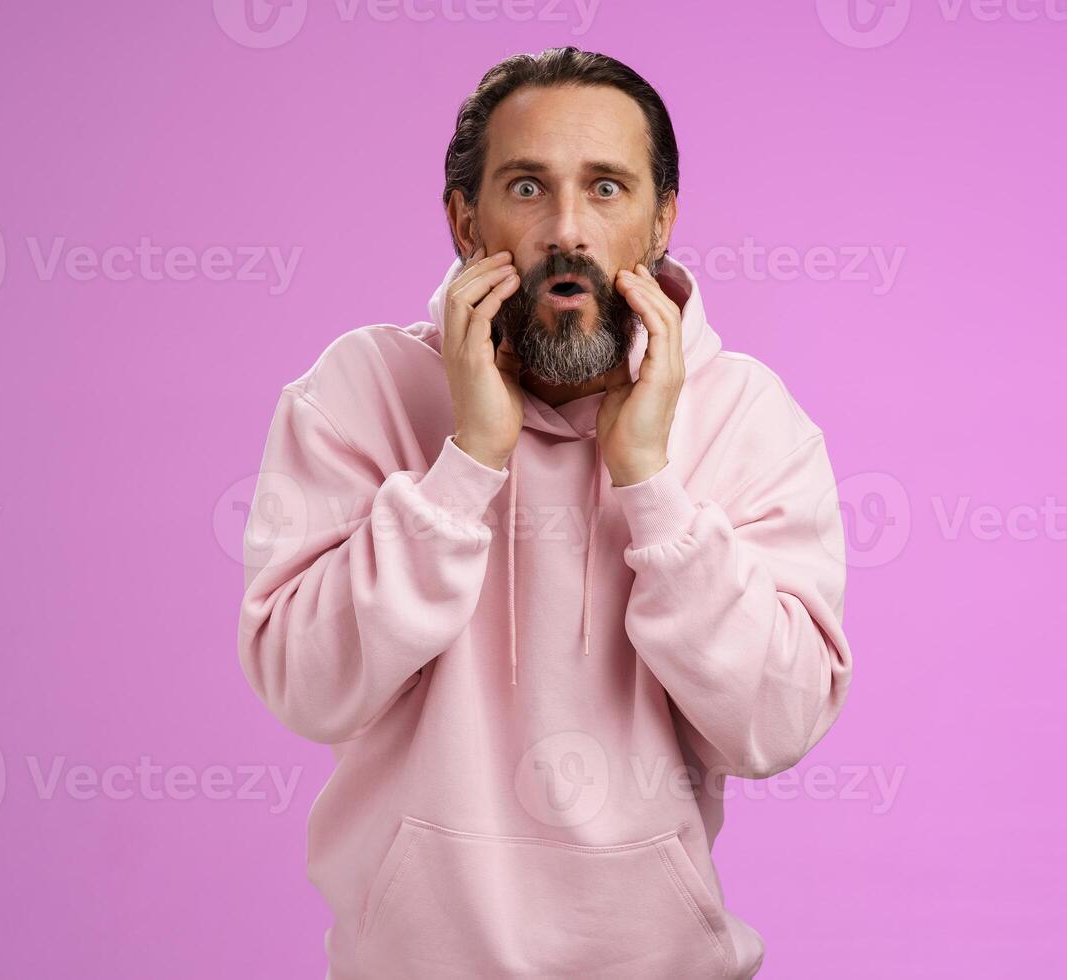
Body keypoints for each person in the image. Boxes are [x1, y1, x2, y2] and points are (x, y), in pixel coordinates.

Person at [237, 46, 853, 979]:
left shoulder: (747, 416)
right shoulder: (358, 392)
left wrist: (649, 483)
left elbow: (775, 726)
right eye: (528, 188)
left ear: (661, 222)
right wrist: (466, 463)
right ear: (464, 220)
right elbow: (305, 685)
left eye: (607, 189)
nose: (568, 229)